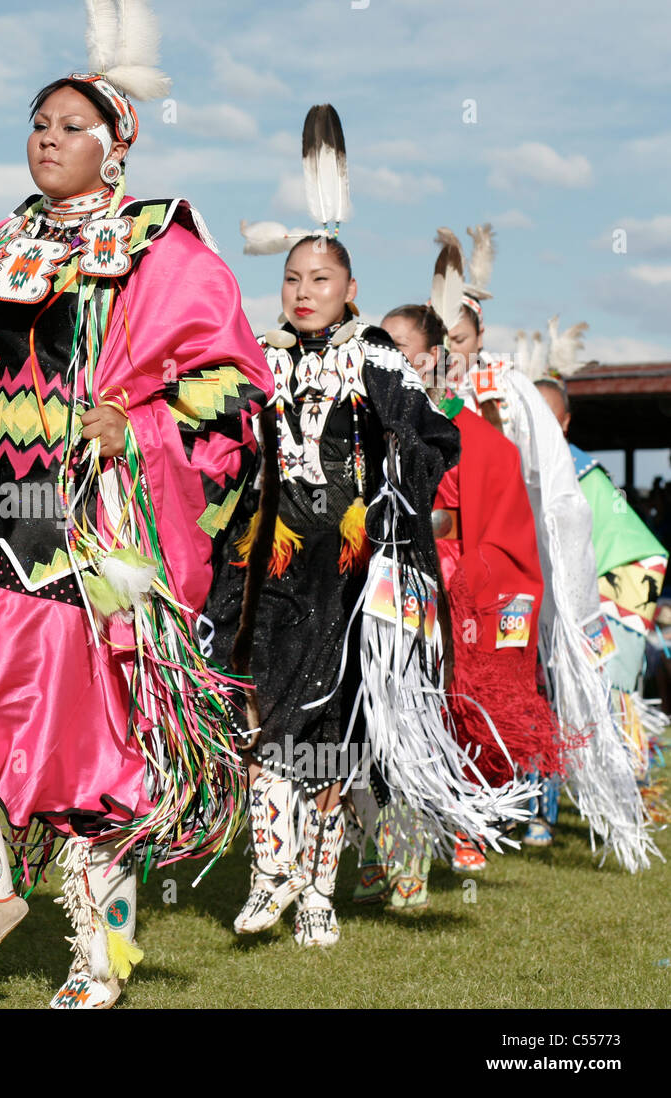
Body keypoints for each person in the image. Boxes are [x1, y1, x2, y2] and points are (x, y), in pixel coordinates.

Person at [0, 0, 271, 1009]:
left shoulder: (164, 246)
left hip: (87, 524)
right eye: (37, 123)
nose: (47, 139)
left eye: (72, 125)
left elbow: (232, 386)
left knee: (84, 749)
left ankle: (98, 958)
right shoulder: (2, 244)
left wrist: (140, 427)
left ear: (117, 145)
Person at [219, 108, 525, 947]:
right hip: (268, 564)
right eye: (293, 280)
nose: (305, 292)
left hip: (348, 574)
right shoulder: (261, 357)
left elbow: (434, 433)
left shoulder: (376, 357)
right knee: (260, 719)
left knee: (331, 733)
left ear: (349, 289)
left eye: (321, 280)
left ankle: (317, 891)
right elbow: (214, 437)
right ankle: (267, 874)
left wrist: (395, 485)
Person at [360, 300, 559, 907]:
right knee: (366, 723)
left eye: (400, 349)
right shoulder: (356, 432)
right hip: (368, 588)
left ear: (435, 359)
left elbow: (510, 548)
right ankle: (369, 849)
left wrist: (459, 580)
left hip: (443, 597)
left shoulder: (486, 447)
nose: (386, 361)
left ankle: (409, 863)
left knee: (417, 721)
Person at [456, 298, 656, 870]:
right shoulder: (425, 392)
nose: (454, 347)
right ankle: (476, 805)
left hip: (524, 571)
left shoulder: (513, 398)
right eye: (444, 335)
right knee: (469, 687)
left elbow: (565, 510)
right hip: (464, 566)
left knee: (535, 686)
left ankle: (538, 809)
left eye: (463, 337)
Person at [536, 373, 667, 840]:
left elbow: (605, 547)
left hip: (618, 584)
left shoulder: (577, 470)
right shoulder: (525, 465)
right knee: (547, 696)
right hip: (568, 591)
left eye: (550, 420)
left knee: (607, 697)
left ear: (566, 423)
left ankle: (629, 799)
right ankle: (539, 812)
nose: (542, 431)